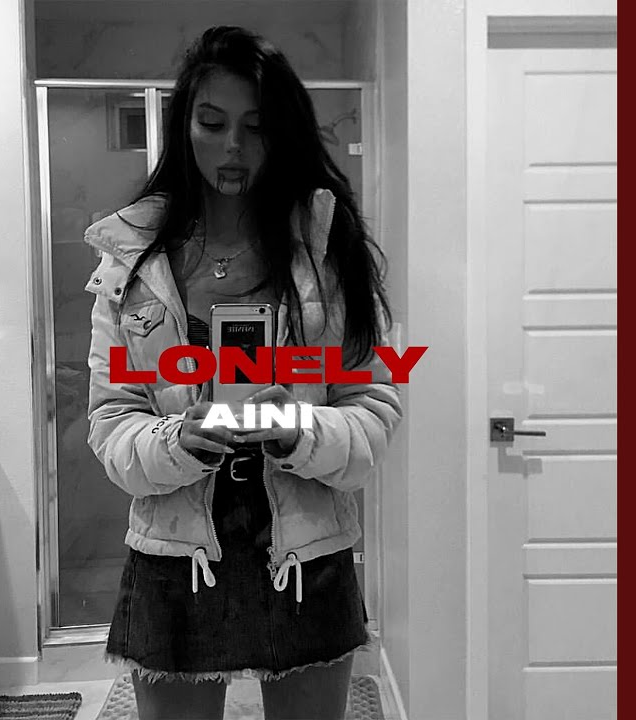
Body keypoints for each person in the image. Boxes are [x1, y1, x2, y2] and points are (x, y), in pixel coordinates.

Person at [83, 26, 402, 720]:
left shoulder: (326, 250)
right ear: (184, 126)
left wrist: (299, 430)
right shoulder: (133, 262)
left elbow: (372, 407)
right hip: (175, 555)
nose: (233, 147)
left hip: (306, 552)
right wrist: (176, 441)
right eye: (212, 122)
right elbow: (111, 423)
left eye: (256, 127)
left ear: (283, 132)